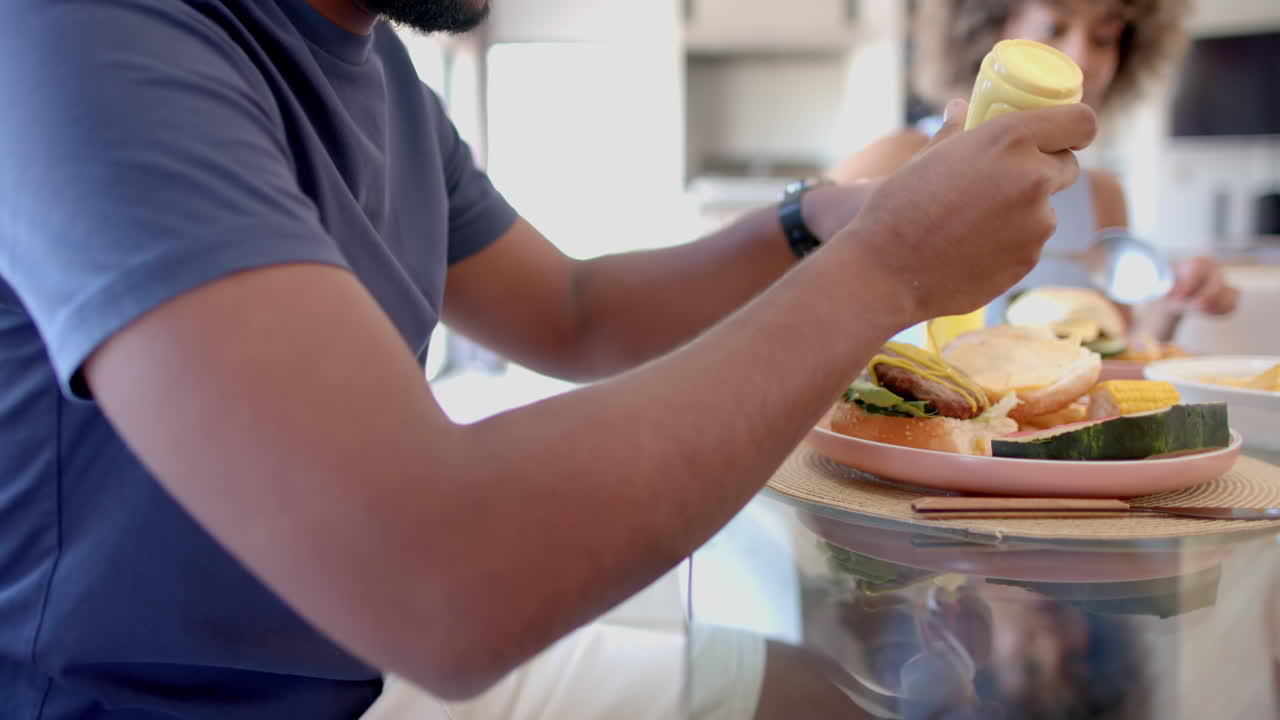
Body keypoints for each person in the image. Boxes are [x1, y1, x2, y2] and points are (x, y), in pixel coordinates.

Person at [0, 0, 1097, 718]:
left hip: (352, 679)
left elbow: (576, 313)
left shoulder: (380, 73)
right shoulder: (90, 33)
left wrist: (825, 220)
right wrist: (887, 269)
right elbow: (438, 583)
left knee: (828, 700)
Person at [828, 0, 1237, 339]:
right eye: (1053, 27)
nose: (1081, 60)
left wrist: (1174, 304)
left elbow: (1114, 354)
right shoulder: (893, 160)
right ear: (992, 32)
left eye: (1104, 38)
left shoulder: (1103, 194)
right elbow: (801, 311)